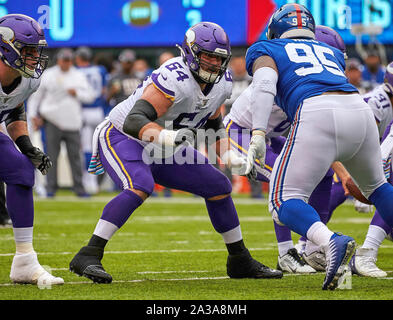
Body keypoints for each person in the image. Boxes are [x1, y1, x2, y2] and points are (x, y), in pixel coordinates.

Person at [69, 21, 283, 283]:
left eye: (219, 58)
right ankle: (89, 253)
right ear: (191, 53)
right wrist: (168, 136)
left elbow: (214, 123)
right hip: (122, 135)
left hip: (163, 144)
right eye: (208, 57)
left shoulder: (222, 83)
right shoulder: (174, 77)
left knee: (218, 185)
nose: (214, 64)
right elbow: (134, 120)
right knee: (141, 185)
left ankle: (239, 259)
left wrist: (230, 157)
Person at [244, 3, 393, 290]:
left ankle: (329, 242)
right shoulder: (332, 52)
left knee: (282, 201)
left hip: (315, 111)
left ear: (277, 29)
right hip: (357, 110)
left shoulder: (267, 48)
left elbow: (264, 86)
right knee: (377, 187)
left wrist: (258, 133)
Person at [224, 25, 348, 274]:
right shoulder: (287, 77)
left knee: (323, 172)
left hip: (276, 134)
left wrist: (343, 174)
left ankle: (312, 248)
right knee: (284, 183)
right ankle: (286, 253)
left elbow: (321, 140)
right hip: (244, 133)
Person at [0, 13, 63, 285]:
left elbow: (13, 107)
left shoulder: (29, 79)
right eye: (27, 51)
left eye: (36, 51)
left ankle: (25, 261)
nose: (34, 58)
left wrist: (26, 146)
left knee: (22, 171)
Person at [29, 48, 95, 198]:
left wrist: (77, 93)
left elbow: (90, 96)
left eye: (68, 60)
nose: (66, 63)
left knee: (75, 157)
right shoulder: (49, 75)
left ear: (71, 61)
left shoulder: (78, 75)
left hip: (72, 121)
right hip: (52, 120)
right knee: (51, 155)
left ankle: (79, 188)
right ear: (59, 60)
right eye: (63, 60)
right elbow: (36, 97)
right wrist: (33, 114)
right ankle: (51, 187)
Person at [75, 46, 109, 195]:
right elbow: (103, 91)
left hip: (84, 110)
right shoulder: (100, 70)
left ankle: (90, 181)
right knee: (99, 147)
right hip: (99, 111)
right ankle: (96, 181)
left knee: (87, 148)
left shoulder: (76, 71)